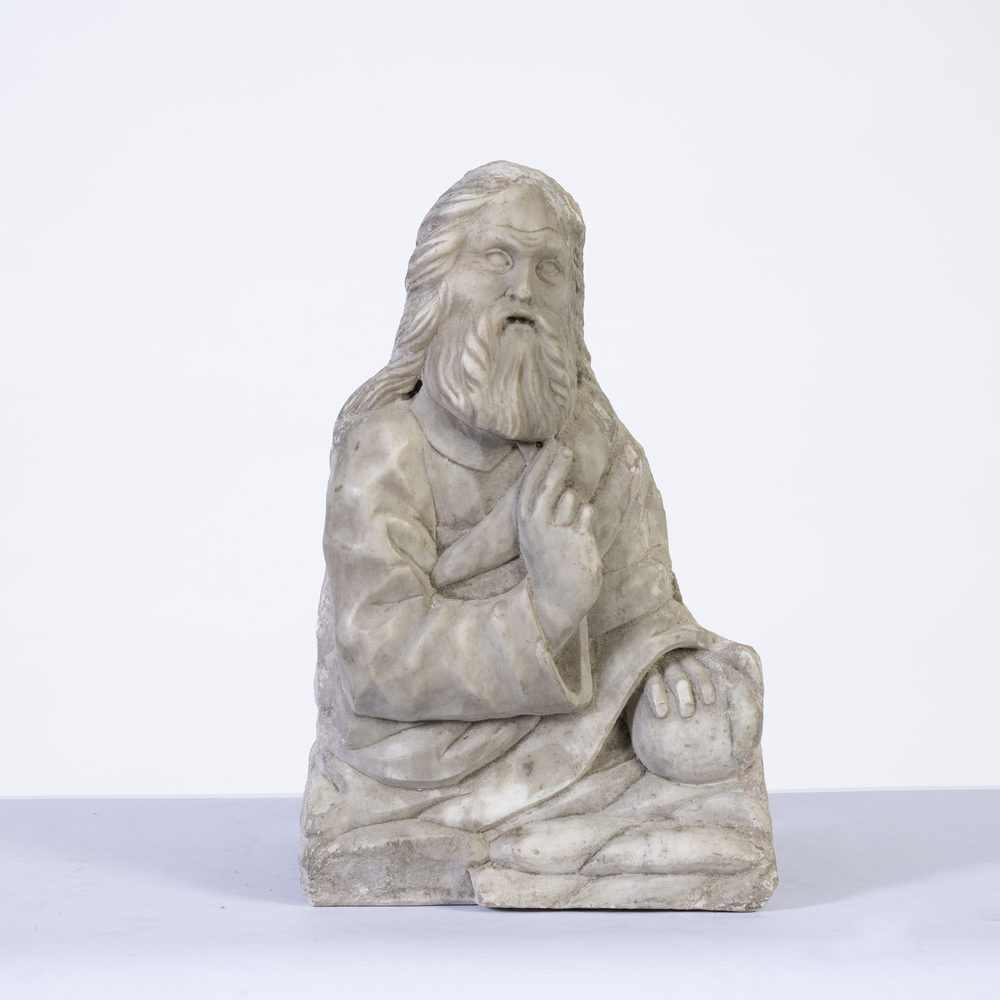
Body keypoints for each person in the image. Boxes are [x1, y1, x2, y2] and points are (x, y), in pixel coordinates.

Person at [299, 162, 777, 910]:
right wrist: (548, 607)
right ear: (439, 286)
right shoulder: (386, 445)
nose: (523, 288)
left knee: (708, 745)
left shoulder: (595, 446)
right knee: (689, 824)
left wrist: (666, 663)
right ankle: (536, 847)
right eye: (498, 258)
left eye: (548, 269)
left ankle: (557, 846)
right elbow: (377, 657)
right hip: (417, 757)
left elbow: (642, 608)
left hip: (576, 727)